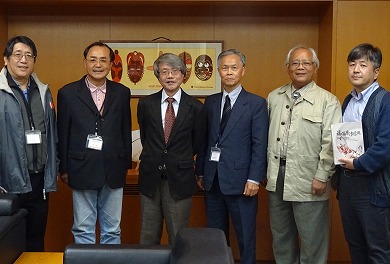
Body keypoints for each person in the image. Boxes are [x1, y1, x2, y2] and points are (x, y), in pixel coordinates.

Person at [0, 36, 58, 252]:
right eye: (18, 55)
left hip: (39, 181)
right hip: (4, 181)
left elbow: (52, 134)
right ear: (6, 60)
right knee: (6, 243)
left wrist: (53, 169)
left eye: (29, 55)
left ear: (34, 61)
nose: (23, 60)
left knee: (35, 240)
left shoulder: (43, 92)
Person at [266, 45, 341, 264]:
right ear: (287, 67)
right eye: (295, 63)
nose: (300, 67)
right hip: (276, 176)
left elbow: (331, 141)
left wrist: (322, 176)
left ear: (315, 67)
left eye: (306, 63)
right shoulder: (274, 97)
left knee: (312, 239)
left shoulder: (328, 101)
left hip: (310, 178)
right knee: (281, 236)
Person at [195, 49, 268, 264]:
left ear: (243, 71)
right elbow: (205, 140)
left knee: (245, 236)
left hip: (242, 182)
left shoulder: (256, 103)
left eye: (234, 68)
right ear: (218, 71)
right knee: (215, 238)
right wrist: (200, 171)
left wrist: (254, 178)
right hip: (213, 180)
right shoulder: (210, 102)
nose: (229, 72)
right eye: (225, 68)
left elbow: (259, 144)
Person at [57, 42, 132, 244]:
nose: (97, 64)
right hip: (81, 167)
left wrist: (125, 164)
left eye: (103, 60)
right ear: (85, 63)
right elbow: (63, 132)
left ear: (110, 64)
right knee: (83, 229)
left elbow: (125, 129)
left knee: (112, 230)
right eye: (92, 60)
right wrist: (63, 167)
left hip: (113, 168)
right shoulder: (68, 93)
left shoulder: (122, 92)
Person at [137, 53, 205, 245]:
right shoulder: (145, 104)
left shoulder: (196, 107)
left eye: (174, 71)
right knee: (148, 235)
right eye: (164, 72)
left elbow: (197, 142)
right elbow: (146, 137)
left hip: (180, 180)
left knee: (178, 235)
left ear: (183, 75)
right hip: (150, 179)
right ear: (158, 76)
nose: (170, 76)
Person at [337, 43, 390, 263]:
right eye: (352, 64)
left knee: (378, 248)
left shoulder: (385, 100)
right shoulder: (348, 100)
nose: (356, 70)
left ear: (375, 71)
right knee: (355, 243)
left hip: (373, 185)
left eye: (362, 65)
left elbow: (385, 145)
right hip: (348, 184)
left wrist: (358, 163)